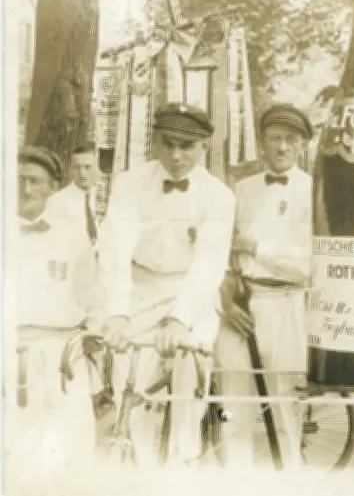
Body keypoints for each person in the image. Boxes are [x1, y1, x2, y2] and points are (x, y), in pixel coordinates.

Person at [96, 102, 236, 466]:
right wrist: (117, 311)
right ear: (155, 143)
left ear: (204, 146)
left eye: (187, 146)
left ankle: (182, 463)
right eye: (168, 143)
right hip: (140, 287)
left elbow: (209, 263)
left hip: (191, 293)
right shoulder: (129, 183)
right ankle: (137, 466)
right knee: (131, 384)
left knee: (189, 376)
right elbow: (116, 247)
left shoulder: (219, 196)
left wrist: (179, 319)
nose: (176, 156)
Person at [216, 103, 313, 470]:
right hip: (240, 305)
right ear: (262, 143)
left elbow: (309, 264)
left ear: (302, 145)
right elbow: (220, 251)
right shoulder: (240, 190)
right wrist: (226, 297)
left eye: (291, 140)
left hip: (286, 304)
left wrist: (259, 248)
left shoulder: (314, 191)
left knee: (284, 405)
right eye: (275, 138)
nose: (283, 147)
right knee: (233, 405)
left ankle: (288, 481)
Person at [11, 146, 98, 469]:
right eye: (18, 179)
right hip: (10, 350)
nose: (26, 189)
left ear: (52, 186)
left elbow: (93, 299)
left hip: (63, 354)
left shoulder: (73, 237)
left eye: (35, 180)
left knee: (68, 446)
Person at [47, 143, 99, 247]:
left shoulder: (103, 199)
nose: (82, 173)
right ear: (70, 169)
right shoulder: (57, 201)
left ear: (96, 168)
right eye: (77, 167)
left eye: (87, 167)